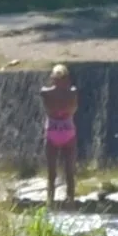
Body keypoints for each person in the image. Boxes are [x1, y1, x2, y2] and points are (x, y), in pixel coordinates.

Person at [40, 64, 79, 206]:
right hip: (68, 130)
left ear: (53, 78)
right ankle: (71, 200)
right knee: (69, 170)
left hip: (52, 130)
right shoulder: (72, 92)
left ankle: (50, 200)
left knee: (51, 172)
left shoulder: (45, 92)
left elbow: (47, 108)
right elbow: (73, 109)